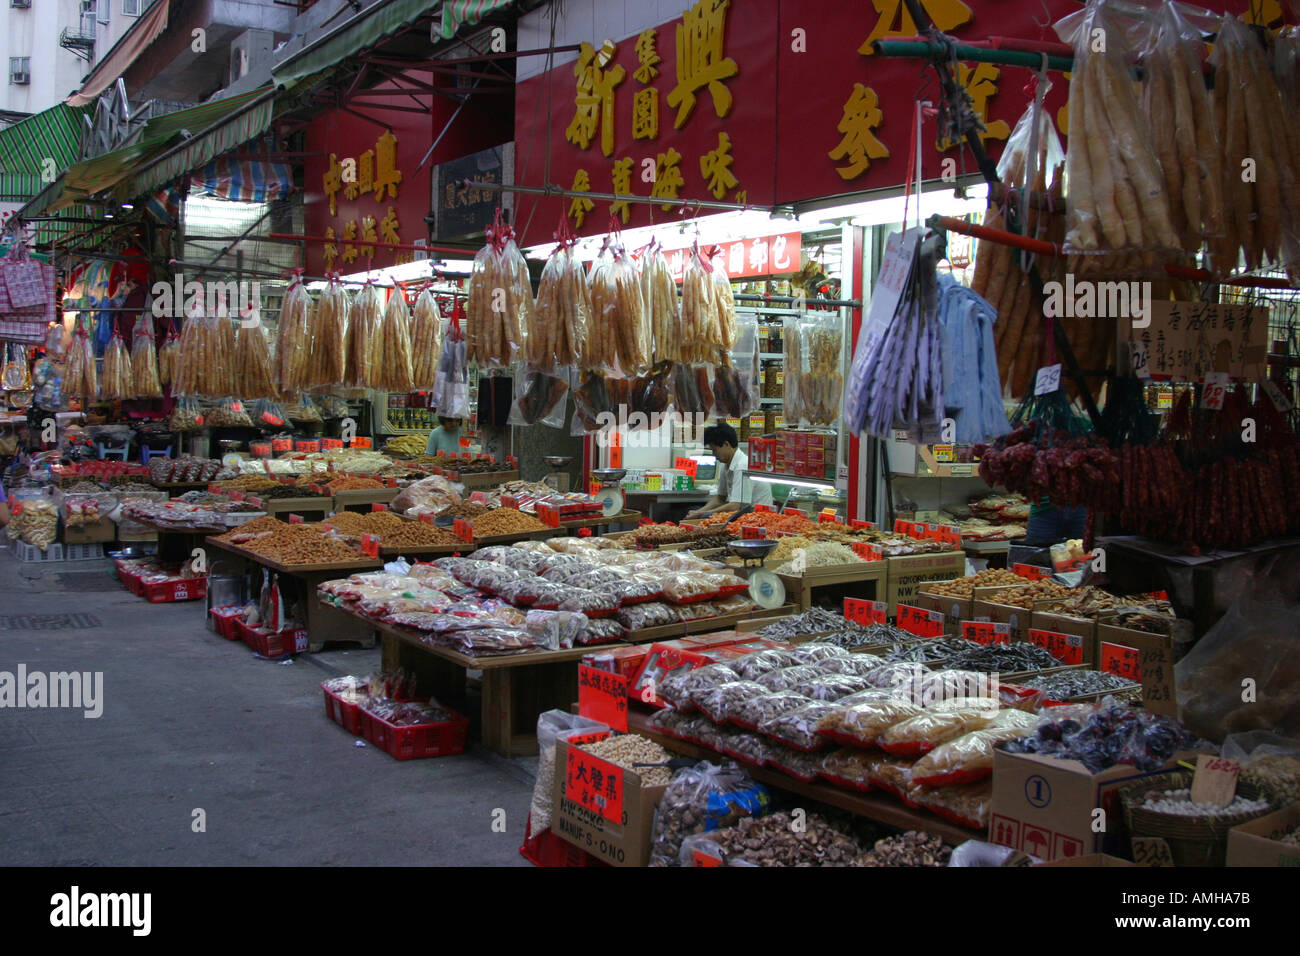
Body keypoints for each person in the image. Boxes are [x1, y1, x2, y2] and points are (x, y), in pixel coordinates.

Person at [684, 423, 773, 518]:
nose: (714, 454)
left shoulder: (742, 466)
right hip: (742, 514)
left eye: (715, 450)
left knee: (705, 517)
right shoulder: (726, 465)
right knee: (692, 511)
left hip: (758, 517)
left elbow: (735, 506)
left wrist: (703, 514)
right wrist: (697, 512)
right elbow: (720, 498)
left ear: (726, 444)